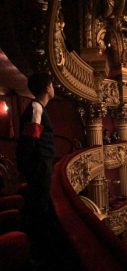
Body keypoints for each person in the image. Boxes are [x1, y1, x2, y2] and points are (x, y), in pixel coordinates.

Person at [16, 73, 58, 264]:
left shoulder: (37, 107)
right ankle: (40, 253)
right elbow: (30, 140)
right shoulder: (36, 107)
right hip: (39, 167)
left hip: (41, 166)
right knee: (40, 207)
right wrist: (33, 167)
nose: (53, 88)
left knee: (41, 205)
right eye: (52, 84)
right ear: (47, 87)